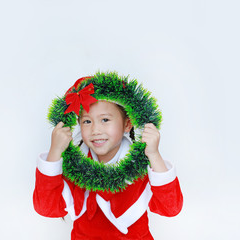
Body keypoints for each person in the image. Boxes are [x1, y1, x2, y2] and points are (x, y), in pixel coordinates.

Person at [33, 74, 183, 239]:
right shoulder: (75, 167)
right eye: (87, 121)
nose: (95, 130)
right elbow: (46, 207)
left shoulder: (139, 165)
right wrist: (55, 151)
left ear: (127, 124)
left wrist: (154, 154)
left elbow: (171, 208)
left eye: (105, 120)